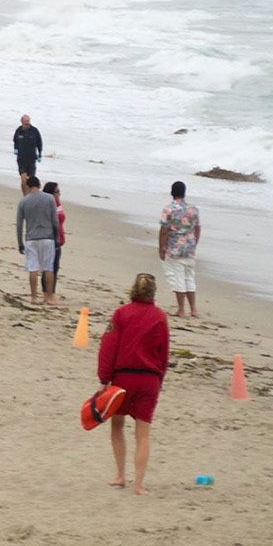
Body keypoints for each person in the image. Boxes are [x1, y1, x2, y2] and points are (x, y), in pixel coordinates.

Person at [98, 273, 171, 495]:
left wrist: (103, 378)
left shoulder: (122, 313)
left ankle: (121, 475)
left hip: (123, 378)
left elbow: (108, 346)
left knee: (117, 425)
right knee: (143, 433)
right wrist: (160, 379)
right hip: (149, 379)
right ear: (153, 293)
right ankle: (139, 485)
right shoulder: (159, 316)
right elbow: (163, 353)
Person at [158, 180, 201, 318]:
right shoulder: (193, 209)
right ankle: (193, 309)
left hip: (174, 248)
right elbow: (197, 227)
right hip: (189, 247)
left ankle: (181, 309)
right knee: (189, 277)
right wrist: (194, 242)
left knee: (178, 277)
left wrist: (161, 247)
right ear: (184, 193)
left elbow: (164, 230)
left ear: (172, 193)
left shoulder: (169, 209)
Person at [15, 174, 59, 305]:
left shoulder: (23, 201)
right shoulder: (50, 199)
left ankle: (34, 297)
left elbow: (19, 224)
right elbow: (55, 221)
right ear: (39, 185)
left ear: (28, 186)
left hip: (31, 237)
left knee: (33, 268)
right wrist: (56, 238)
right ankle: (49, 297)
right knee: (48, 268)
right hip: (47, 236)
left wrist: (20, 243)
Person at [44, 180, 66, 286]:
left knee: (55, 267)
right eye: (57, 192)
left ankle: (52, 291)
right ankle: (48, 292)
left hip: (60, 239)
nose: (59, 194)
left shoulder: (58, 203)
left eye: (59, 191)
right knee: (49, 267)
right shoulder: (47, 205)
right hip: (50, 239)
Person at [12, 114, 43, 184]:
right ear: (22, 122)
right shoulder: (18, 130)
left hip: (31, 158)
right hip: (21, 158)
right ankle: (26, 194)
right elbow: (15, 141)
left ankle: (30, 193)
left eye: (28, 121)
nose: (27, 123)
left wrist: (40, 154)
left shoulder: (34, 131)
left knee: (31, 179)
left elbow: (39, 143)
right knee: (23, 178)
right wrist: (15, 149)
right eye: (25, 121)